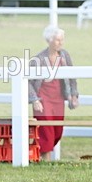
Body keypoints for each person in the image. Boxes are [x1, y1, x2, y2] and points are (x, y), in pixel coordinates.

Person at [29, 25, 79, 158]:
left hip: (58, 99)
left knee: (57, 131)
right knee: (46, 131)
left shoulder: (64, 56)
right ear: (49, 40)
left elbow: (72, 76)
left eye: (62, 39)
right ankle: (46, 161)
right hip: (43, 99)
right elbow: (28, 81)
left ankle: (39, 156)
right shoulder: (38, 59)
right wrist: (34, 100)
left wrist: (73, 95)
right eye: (58, 40)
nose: (61, 42)